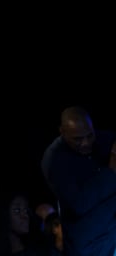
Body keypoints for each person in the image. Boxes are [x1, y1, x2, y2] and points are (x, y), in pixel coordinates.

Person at [41, 105, 116, 256]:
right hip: (89, 245)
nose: (86, 143)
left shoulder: (101, 139)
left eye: (90, 135)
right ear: (62, 132)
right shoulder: (54, 160)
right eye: (78, 139)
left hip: (111, 235)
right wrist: (112, 170)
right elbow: (79, 203)